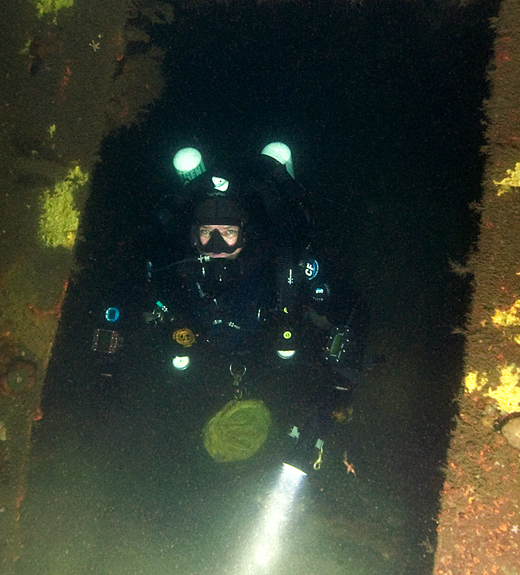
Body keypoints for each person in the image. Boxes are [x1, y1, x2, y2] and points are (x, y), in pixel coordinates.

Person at [141, 145, 368, 470]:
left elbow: (352, 309)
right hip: (210, 376)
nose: (216, 246)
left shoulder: (280, 267)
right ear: (194, 236)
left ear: (245, 235)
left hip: (276, 370)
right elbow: (146, 307)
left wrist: (342, 385)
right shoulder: (178, 273)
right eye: (207, 233)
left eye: (228, 234)